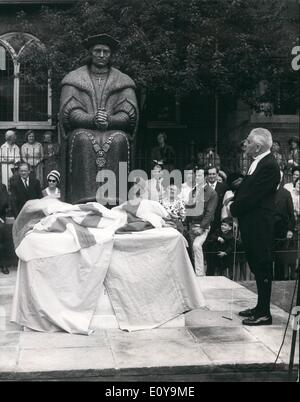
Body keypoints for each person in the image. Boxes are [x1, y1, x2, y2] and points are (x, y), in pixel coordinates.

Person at [59, 33, 138, 204]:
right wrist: (91, 119)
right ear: (90, 53)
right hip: (84, 126)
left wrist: (110, 120)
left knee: (118, 139)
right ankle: (83, 197)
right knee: (82, 138)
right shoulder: (74, 79)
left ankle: (116, 198)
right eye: (97, 51)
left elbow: (128, 114)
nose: (101, 55)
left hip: (112, 127)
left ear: (111, 55)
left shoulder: (123, 81)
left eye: (106, 52)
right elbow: (69, 112)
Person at [230, 128, 280, 326]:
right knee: (256, 264)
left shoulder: (268, 166)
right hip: (252, 222)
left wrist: (234, 208)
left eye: (248, 141)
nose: (246, 144)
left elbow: (253, 196)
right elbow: (246, 189)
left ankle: (264, 313)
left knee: (262, 264)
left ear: (257, 147)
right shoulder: (258, 162)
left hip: (260, 223)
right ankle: (260, 307)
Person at [186, 169, 218, 276]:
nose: (197, 178)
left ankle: (199, 275)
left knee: (196, 246)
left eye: (200, 175)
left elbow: (210, 212)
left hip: (202, 226)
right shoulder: (193, 191)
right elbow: (188, 209)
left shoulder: (211, 193)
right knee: (194, 251)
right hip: (192, 225)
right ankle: (198, 274)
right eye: (196, 175)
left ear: (205, 177)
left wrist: (202, 227)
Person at [273, 171, 295, 280]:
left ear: (281, 179)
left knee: (280, 256)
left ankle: (279, 278)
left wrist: (290, 229)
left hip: (282, 229)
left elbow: (291, 213)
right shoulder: (266, 192)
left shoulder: (286, 193)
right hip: (268, 228)